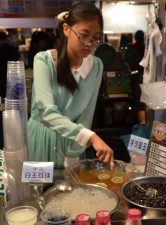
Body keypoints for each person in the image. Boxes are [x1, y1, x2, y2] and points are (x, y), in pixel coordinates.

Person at [28, 2, 114, 170]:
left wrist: (75, 152)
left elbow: (87, 115)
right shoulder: (44, 61)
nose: (90, 43)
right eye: (84, 35)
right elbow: (46, 112)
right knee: (38, 192)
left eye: (96, 37)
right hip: (42, 138)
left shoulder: (96, 65)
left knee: (72, 192)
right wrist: (90, 137)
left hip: (75, 141)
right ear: (67, 30)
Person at [124, 30, 147, 125]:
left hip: (134, 76)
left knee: (136, 100)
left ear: (135, 38)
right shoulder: (146, 47)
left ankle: (139, 123)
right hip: (146, 76)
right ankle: (143, 122)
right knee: (142, 101)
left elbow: (126, 60)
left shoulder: (130, 47)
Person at [0, 31, 20, 98]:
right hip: (14, 74)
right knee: (14, 94)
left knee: (4, 95)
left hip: (2, 75)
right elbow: (19, 60)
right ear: (6, 38)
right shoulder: (13, 48)